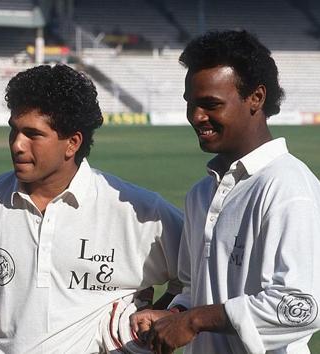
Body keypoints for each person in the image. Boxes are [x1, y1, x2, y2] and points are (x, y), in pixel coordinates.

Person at [0, 64, 184, 353]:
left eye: (33, 134)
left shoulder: (138, 210)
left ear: (72, 143)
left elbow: (199, 274)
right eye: (13, 131)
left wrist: (165, 315)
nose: (17, 145)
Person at [131, 30, 320, 354]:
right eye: (191, 105)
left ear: (256, 98)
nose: (196, 117)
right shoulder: (201, 194)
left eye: (211, 105)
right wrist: (175, 314)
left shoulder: (287, 186)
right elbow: (196, 290)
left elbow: (301, 308)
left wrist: (194, 321)